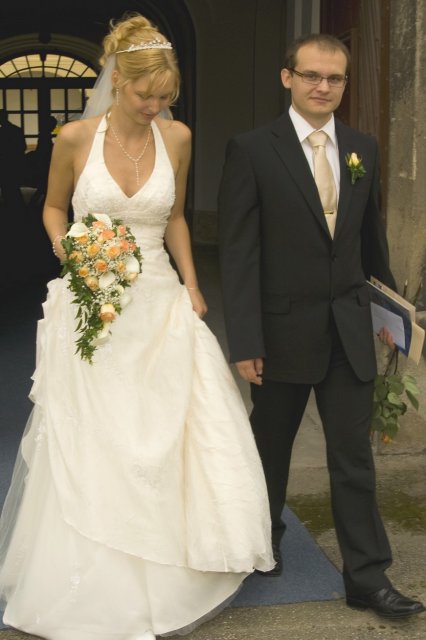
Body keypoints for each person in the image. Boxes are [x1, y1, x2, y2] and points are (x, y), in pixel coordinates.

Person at [0, 13, 274, 640]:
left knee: (171, 421)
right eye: (145, 95)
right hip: (92, 296)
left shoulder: (177, 137)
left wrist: (193, 285)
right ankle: (97, 563)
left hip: (157, 297)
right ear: (118, 80)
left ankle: (172, 556)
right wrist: (73, 254)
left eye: (165, 97)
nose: (155, 107)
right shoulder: (75, 137)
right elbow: (53, 207)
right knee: (97, 429)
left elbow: (174, 217)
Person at [218, 33, 425, 619]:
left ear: (344, 84)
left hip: (348, 330)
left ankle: (367, 577)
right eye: (311, 75)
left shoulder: (363, 148)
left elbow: (371, 242)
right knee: (270, 450)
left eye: (334, 78)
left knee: (353, 458)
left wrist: (391, 316)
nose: (323, 86)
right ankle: (262, 542)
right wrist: (246, 340)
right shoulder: (252, 150)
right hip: (280, 333)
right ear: (287, 77)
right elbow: (239, 254)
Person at [0, 109, 26, 209]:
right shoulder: (17, 130)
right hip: (14, 163)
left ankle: (10, 207)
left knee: (6, 186)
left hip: (4, 162)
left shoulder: (1, 132)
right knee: (13, 186)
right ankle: (17, 208)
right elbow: (23, 147)